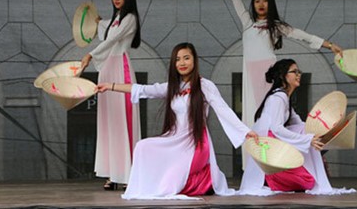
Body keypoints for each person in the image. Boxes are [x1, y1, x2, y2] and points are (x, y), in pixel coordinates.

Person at [96, 42, 258, 199]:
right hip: (175, 140)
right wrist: (110, 85)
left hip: (196, 144)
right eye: (177, 59)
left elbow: (223, 109)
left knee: (171, 183)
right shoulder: (173, 87)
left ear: (194, 60)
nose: (182, 62)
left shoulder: (205, 85)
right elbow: (143, 90)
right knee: (142, 146)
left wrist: (245, 131)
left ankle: (206, 180)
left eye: (186, 58)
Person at [221, 0, 343, 165]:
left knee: (273, 117)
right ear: (253, 5)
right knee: (253, 117)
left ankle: (277, 159)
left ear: (271, 4)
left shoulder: (276, 26)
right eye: (257, 1)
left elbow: (302, 35)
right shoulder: (247, 23)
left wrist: (329, 45)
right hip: (251, 74)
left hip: (270, 73)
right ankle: (255, 163)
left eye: (265, 0)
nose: (260, 4)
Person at [238, 59, 356, 196]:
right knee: (308, 181)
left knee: (308, 178)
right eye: (294, 72)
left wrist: (323, 132)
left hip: (274, 143)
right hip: (269, 147)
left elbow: (300, 125)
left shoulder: (284, 98)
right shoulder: (278, 98)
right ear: (283, 76)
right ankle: (268, 177)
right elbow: (276, 128)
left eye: (299, 72)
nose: (298, 74)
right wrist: (308, 139)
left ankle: (271, 178)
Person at [81, 0, 141, 190]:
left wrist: (90, 54)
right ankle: (112, 174)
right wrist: (98, 21)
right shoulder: (115, 20)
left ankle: (128, 174)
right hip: (106, 70)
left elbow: (111, 40)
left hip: (120, 72)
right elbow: (106, 27)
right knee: (109, 124)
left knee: (123, 122)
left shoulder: (130, 19)